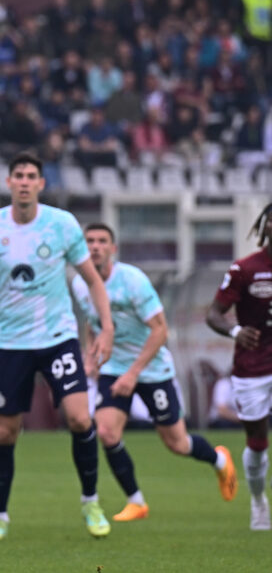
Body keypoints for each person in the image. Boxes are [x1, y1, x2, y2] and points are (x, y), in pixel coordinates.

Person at [0, 152, 115, 543]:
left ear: (41, 183)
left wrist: (105, 326)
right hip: (12, 343)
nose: (26, 181)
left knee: (81, 419)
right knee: (5, 433)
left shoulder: (62, 224)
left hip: (58, 338)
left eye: (32, 175)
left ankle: (91, 502)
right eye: (19, 175)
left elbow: (94, 281)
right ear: (10, 182)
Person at [72, 223, 237, 521]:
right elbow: (91, 320)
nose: (95, 246)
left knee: (177, 443)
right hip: (114, 367)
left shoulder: (133, 281)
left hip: (152, 369)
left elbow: (160, 331)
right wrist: (90, 356)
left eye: (101, 241)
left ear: (113, 249)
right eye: (89, 241)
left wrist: (133, 373)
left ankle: (219, 459)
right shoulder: (80, 283)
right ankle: (136, 501)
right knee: (107, 431)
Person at [206, 203, 272, 530]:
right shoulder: (245, 269)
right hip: (254, 364)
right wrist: (235, 331)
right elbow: (214, 314)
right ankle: (259, 500)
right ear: (266, 226)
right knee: (257, 441)